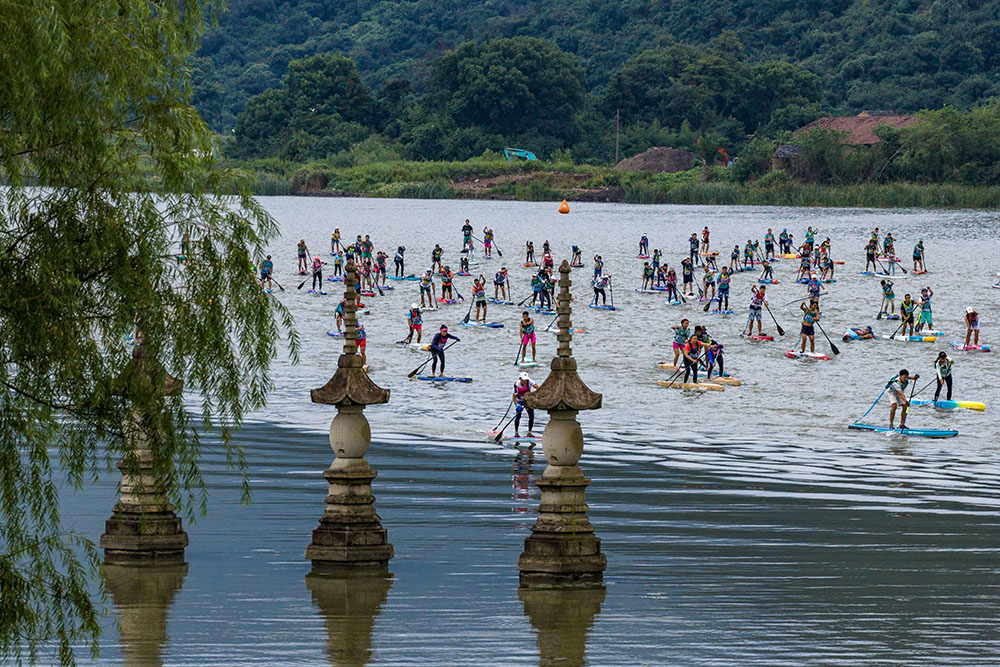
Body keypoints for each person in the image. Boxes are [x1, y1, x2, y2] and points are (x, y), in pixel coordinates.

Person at [512, 373, 539, 438]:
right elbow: (514, 398)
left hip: (527, 401)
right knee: (518, 416)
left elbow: (538, 388)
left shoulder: (529, 381)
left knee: (531, 416)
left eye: (526, 380)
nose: (525, 381)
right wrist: (518, 405)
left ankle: (529, 432)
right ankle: (516, 433)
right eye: (524, 380)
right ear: (520, 379)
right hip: (519, 401)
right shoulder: (516, 385)